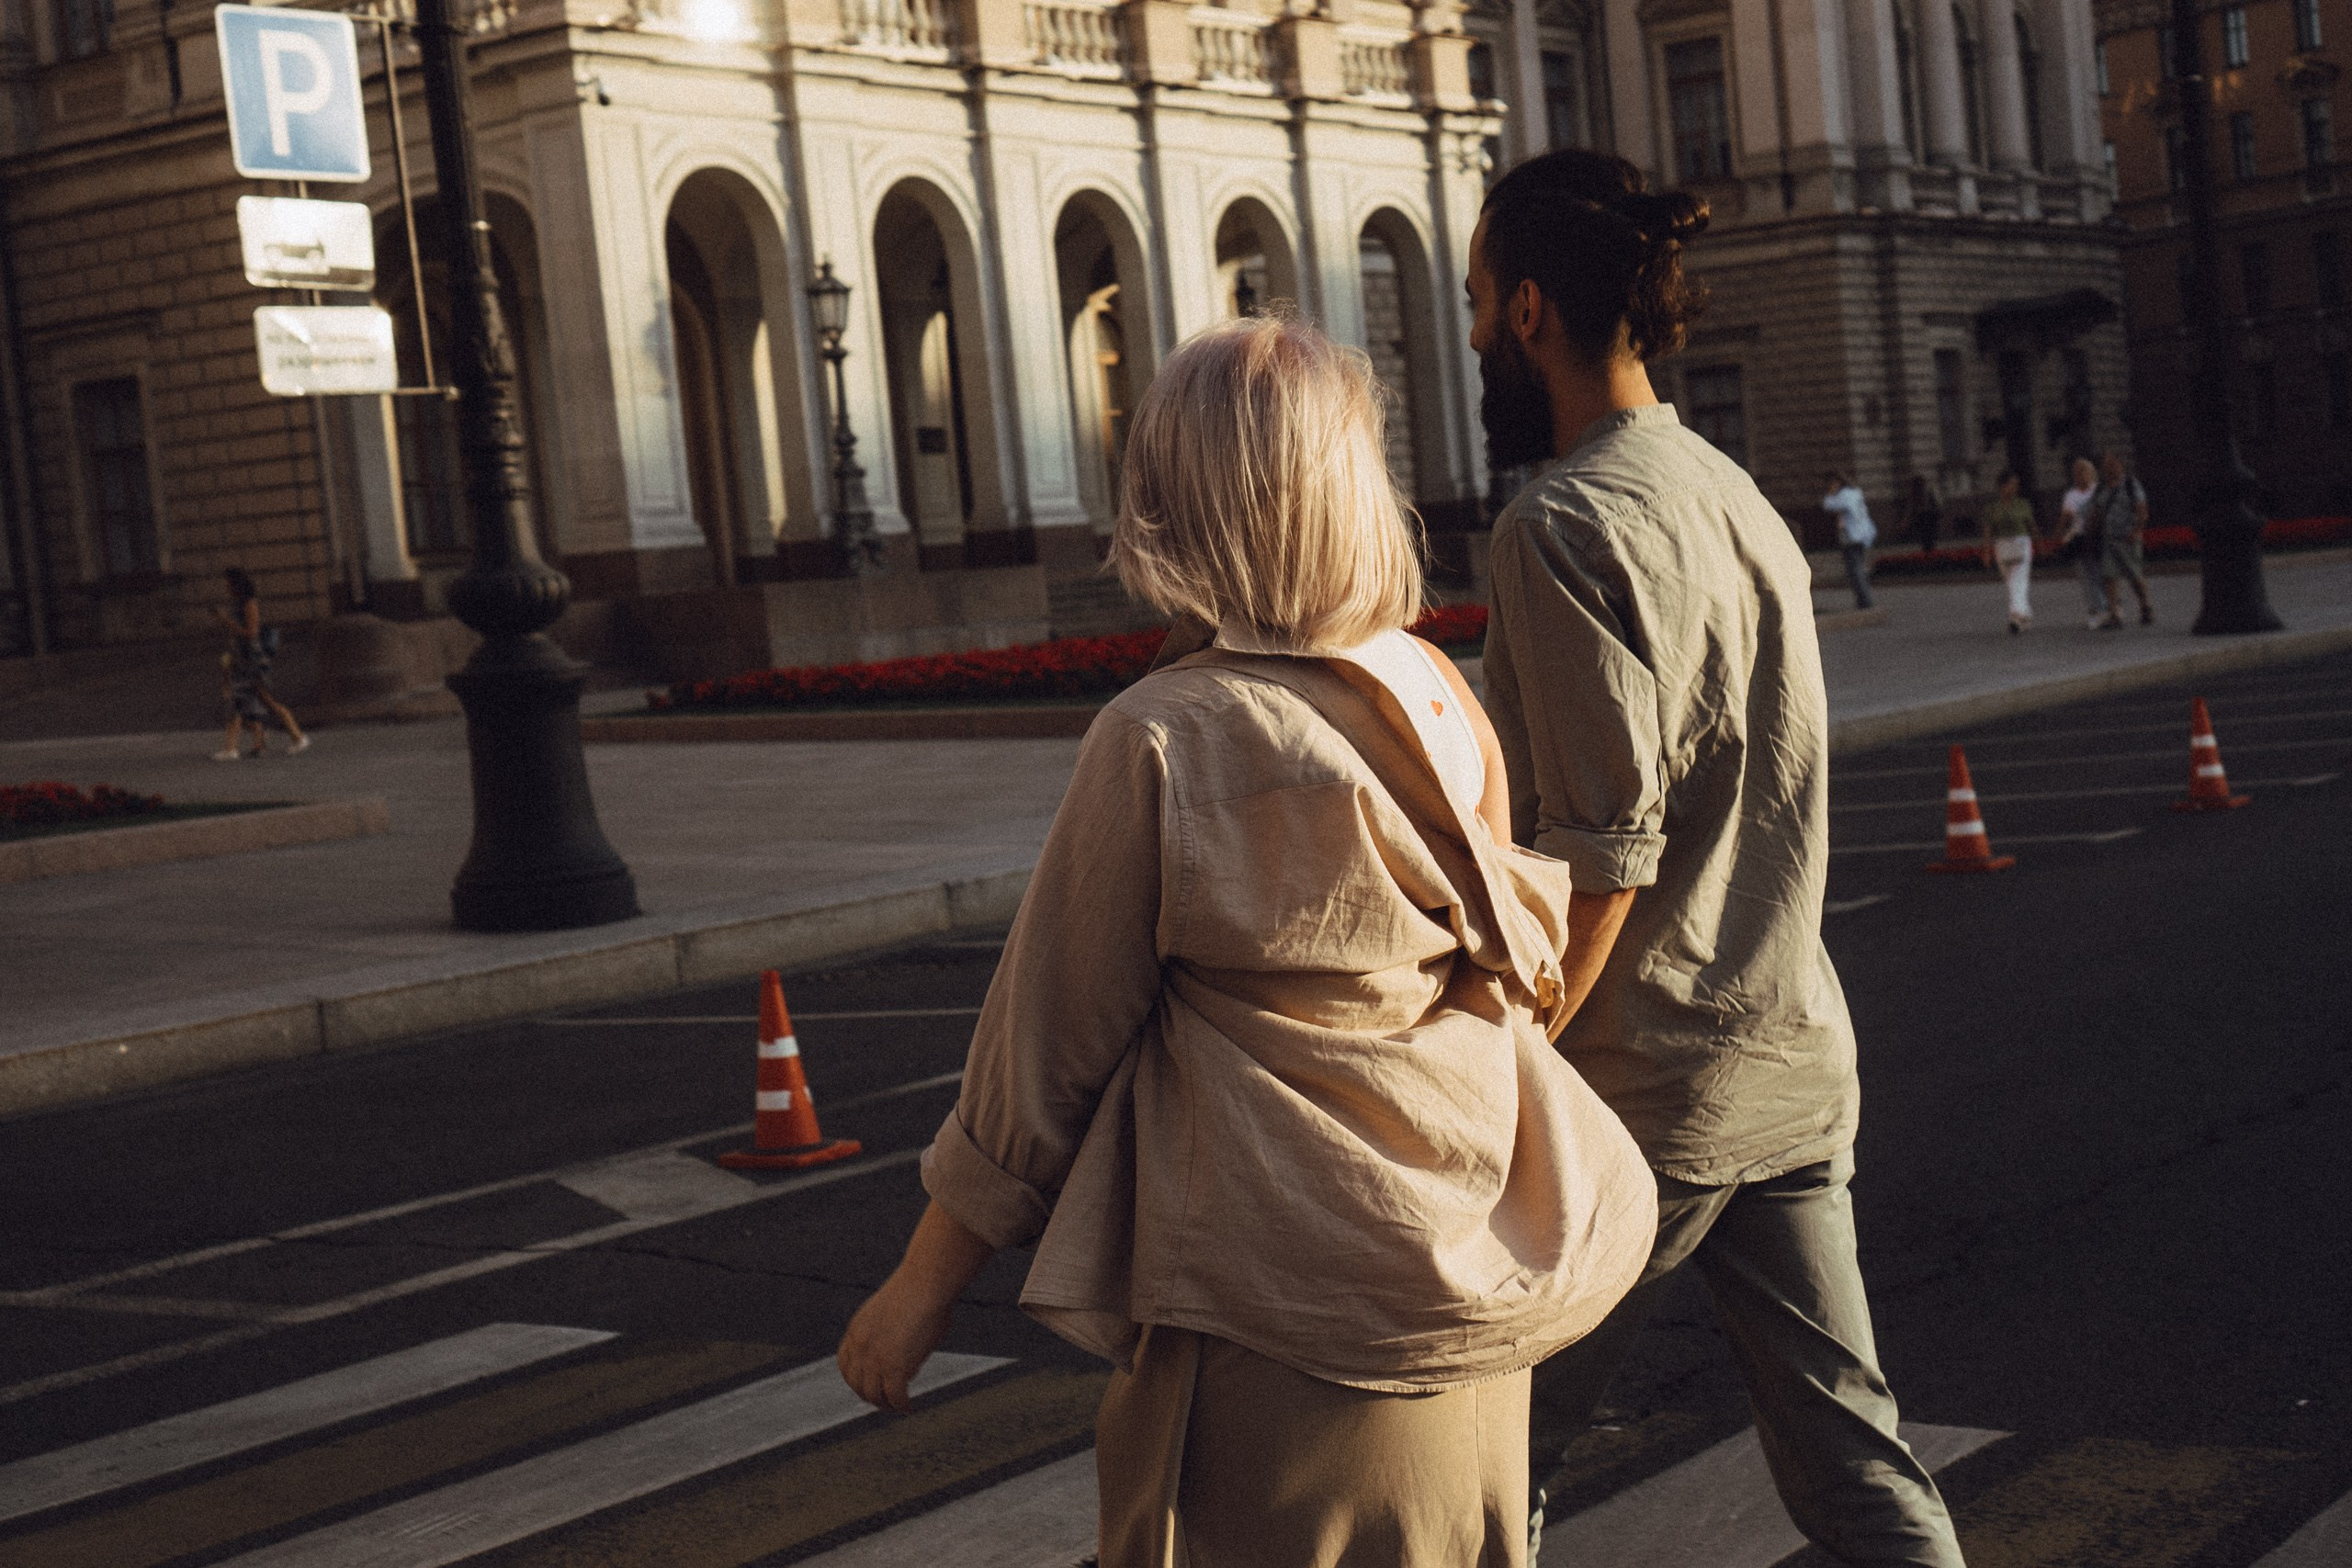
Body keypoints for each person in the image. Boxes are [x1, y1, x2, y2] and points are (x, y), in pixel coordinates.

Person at [836, 316, 1657, 1568]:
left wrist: (917, 1287)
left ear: (1170, 499)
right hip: (1464, 1274)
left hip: (1269, 1294)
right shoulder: (1432, 688)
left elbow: (1042, 1046)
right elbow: (1507, 963)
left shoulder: (1164, 734)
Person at [1466, 147, 1967, 1567]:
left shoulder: (1558, 524)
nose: (1472, 326)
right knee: (1857, 1463)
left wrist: (1514, 1056)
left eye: (1475, 296)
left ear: (1526, 313)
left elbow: (1603, 850)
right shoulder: (1729, 489)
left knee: (1483, 1453)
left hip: (1644, 1092)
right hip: (1788, 1054)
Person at [209, 567, 308, 760]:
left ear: (236, 584)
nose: (226, 587)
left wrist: (227, 621)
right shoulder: (239, 604)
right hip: (242, 661)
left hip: (252, 662)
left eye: (228, 583)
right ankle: (232, 749)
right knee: (239, 703)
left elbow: (252, 633)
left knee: (265, 701)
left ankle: (298, 736)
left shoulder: (249, 604)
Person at [2089, 452, 2153, 628]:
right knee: (2109, 577)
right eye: (2105, 466)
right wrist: (2091, 534)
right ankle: (2114, 614)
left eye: (2111, 465)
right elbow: (2096, 512)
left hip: (2128, 539)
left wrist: (2136, 531)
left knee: (2134, 575)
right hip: (2109, 540)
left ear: (2120, 465)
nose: (2108, 469)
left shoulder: (2131, 485)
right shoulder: (2101, 488)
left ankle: (2145, 605)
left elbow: (2142, 511)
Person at [1979, 471, 2039, 634]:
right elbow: (1988, 530)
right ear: (2001, 486)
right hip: (2002, 545)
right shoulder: (1992, 508)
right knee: (2010, 581)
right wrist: (1986, 551)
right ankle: (2025, 616)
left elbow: (2032, 526)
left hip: (2021, 543)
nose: (2014, 488)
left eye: (2016, 484)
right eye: (2011, 484)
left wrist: (2040, 543)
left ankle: (2016, 616)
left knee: (2018, 579)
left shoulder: (2023, 504)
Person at [2056, 457, 2106, 629]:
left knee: (2102, 574)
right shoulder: (2071, 495)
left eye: (2083, 471)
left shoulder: (2098, 491)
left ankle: (2108, 607)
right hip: (2080, 539)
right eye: (2076, 473)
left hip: (2099, 537)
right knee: (2086, 576)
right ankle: (2095, 610)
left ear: (2091, 472)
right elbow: (2065, 517)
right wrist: (2059, 535)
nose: (2079, 475)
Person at [1821, 471, 1877, 609]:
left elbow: (1827, 505)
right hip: (1862, 535)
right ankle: (1864, 600)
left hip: (1851, 537)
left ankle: (1865, 601)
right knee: (1858, 568)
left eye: (1832, 484)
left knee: (1855, 570)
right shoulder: (1855, 492)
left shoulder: (1844, 495)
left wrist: (1831, 493)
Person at [1898, 473, 1941, 557]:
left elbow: (1936, 503)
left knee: (1929, 537)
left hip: (1929, 516)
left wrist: (1905, 521)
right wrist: (1905, 521)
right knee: (1926, 538)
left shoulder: (1928, 491)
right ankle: (1929, 552)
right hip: (1922, 518)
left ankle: (1930, 552)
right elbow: (1910, 509)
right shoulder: (1915, 494)